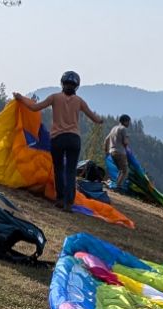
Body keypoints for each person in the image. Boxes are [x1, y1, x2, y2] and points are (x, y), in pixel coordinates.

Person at [13, 71, 104, 210]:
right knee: (71, 171)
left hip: (58, 138)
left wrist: (20, 98)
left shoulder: (55, 97)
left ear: (62, 83)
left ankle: (60, 199)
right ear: (77, 86)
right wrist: (100, 121)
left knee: (59, 169)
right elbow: (94, 118)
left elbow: (34, 107)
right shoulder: (79, 101)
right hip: (74, 139)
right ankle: (69, 202)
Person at [105, 115, 133, 191]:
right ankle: (118, 187)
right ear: (125, 121)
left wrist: (106, 151)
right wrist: (127, 139)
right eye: (128, 122)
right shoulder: (123, 129)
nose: (129, 124)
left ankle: (116, 185)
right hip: (120, 152)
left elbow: (106, 139)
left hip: (112, 152)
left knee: (121, 170)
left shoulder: (113, 128)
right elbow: (125, 142)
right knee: (125, 171)